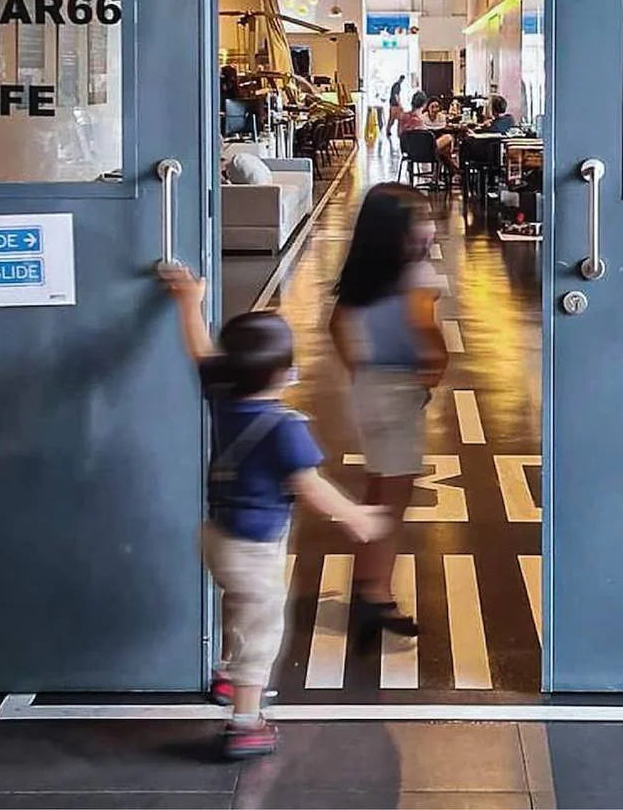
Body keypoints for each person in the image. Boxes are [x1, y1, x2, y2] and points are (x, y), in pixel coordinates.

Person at [161, 265, 387, 760]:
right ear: (284, 375)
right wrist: (357, 517)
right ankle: (245, 721)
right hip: (254, 546)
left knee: (237, 605)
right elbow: (311, 486)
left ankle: (224, 674)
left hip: (216, 535)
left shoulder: (221, 395)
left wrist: (188, 302)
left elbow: (199, 348)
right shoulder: (285, 427)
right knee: (262, 629)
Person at [329, 185, 449, 645]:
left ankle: (366, 587)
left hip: (367, 389)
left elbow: (336, 325)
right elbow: (423, 328)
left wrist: (358, 367)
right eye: (419, 216)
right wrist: (435, 366)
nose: (427, 224)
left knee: (377, 489)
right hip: (399, 392)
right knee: (391, 504)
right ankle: (376, 597)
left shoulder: (362, 274)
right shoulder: (415, 274)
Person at [400, 92, 458, 174]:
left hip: (407, 149)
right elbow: (424, 139)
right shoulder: (420, 119)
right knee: (447, 138)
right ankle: (451, 170)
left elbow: (399, 134)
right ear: (425, 104)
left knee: (443, 151)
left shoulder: (403, 116)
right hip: (424, 150)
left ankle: (450, 168)